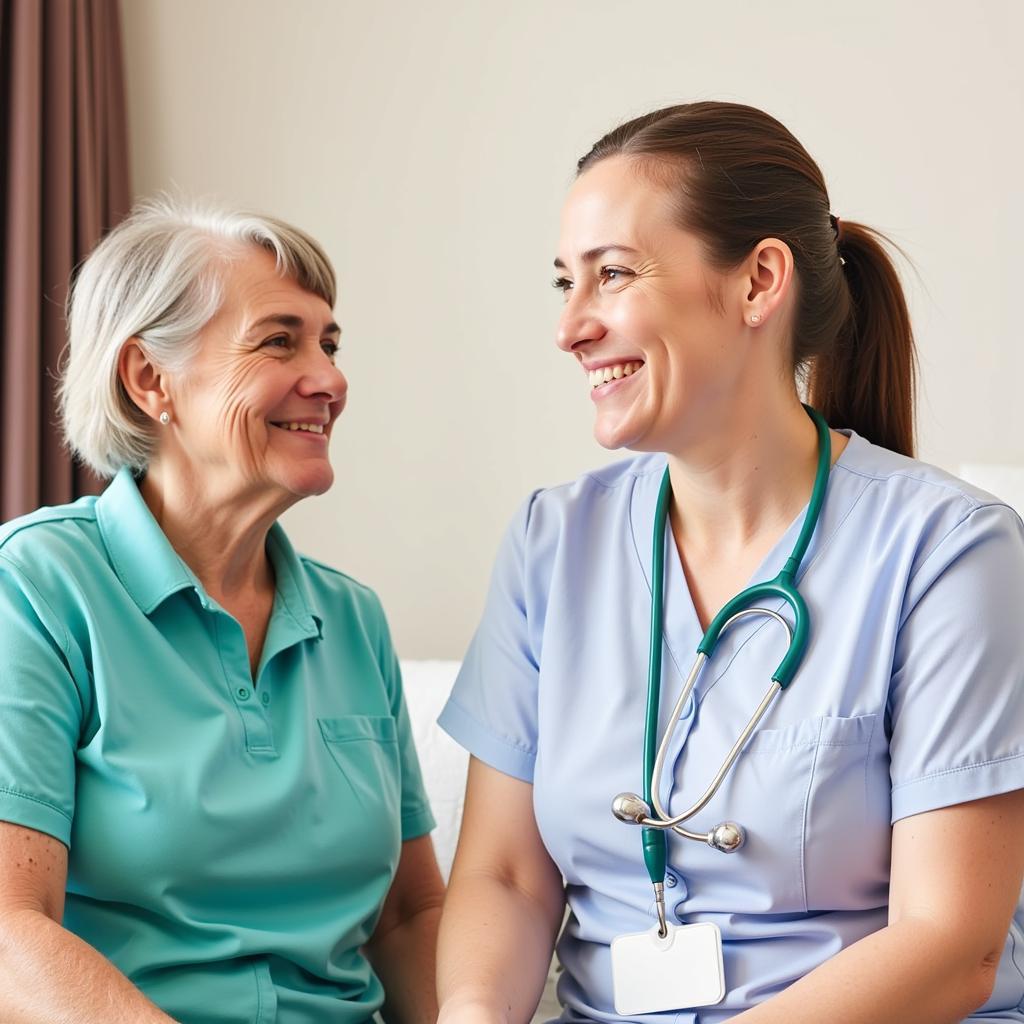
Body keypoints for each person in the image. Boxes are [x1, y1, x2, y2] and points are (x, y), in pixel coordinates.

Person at [435, 102, 1024, 1023]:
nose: (571, 327)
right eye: (565, 283)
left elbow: (951, 945)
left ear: (758, 282)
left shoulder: (953, 552)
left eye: (614, 275)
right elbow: (506, 878)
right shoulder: (553, 542)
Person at [0, 198, 443, 1024]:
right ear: (148, 379)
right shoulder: (35, 585)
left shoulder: (352, 619)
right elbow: (8, 930)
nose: (331, 379)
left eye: (330, 343)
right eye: (280, 340)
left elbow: (410, 916)